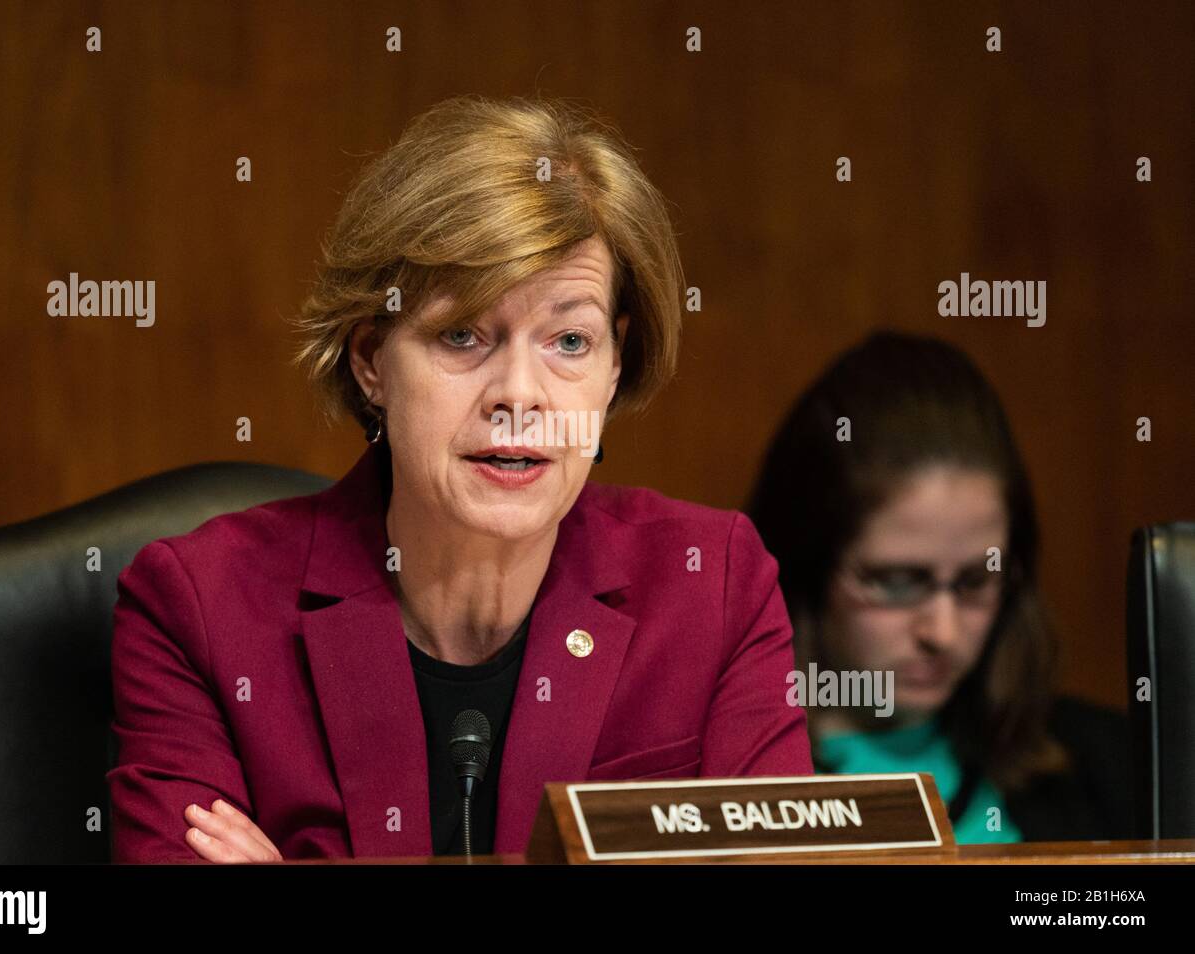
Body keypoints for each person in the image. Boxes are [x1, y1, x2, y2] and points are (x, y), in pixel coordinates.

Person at [106, 94, 811, 862]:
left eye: (569, 340)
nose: (520, 393)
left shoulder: (712, 584)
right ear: (372, 359)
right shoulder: (200, 608)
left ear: (615, 366)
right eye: (463, 334)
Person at [745, 331, 1135, 843]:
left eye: (977, 580)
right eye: (898, 582)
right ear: (807, 562)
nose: (943, 633)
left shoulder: (1112, 763)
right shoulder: (716, 771)